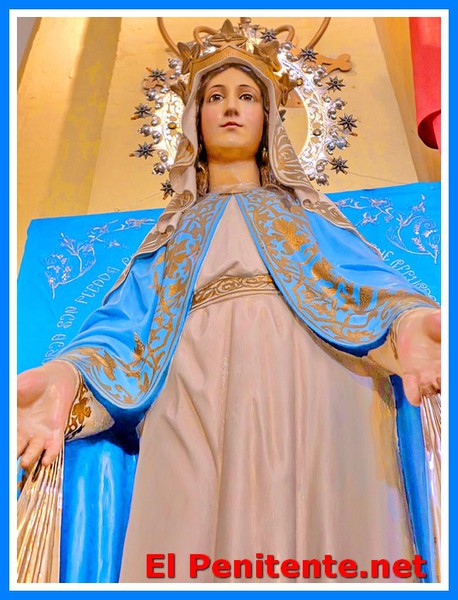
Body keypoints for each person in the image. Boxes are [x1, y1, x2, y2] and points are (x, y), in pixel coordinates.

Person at [17, 23, 441, 583]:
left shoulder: (306, 215)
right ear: (194, 118)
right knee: (185, 528)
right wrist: (65, 376)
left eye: (247, 96)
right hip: (192, 385)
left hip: (315, 377)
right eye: (215, 97)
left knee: (324, 526)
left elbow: (368, 289)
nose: (231, 108)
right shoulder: (172, 234)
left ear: (269, 119)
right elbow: (122, 331)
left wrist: (411, 325)